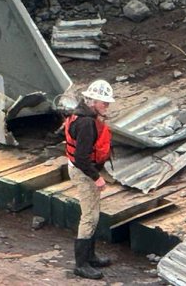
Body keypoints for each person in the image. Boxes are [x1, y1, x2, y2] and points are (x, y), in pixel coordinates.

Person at [63, 79, 116, 280]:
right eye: (104, 103)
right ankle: (81, 264)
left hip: (83, 170)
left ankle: (91, 256)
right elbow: (81, 158)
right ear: (93, 102)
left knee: (93, 214)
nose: (107, 106)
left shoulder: (82, 114)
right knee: (89, 217)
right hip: (83, 172)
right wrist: (97, 178)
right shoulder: (86, 123)